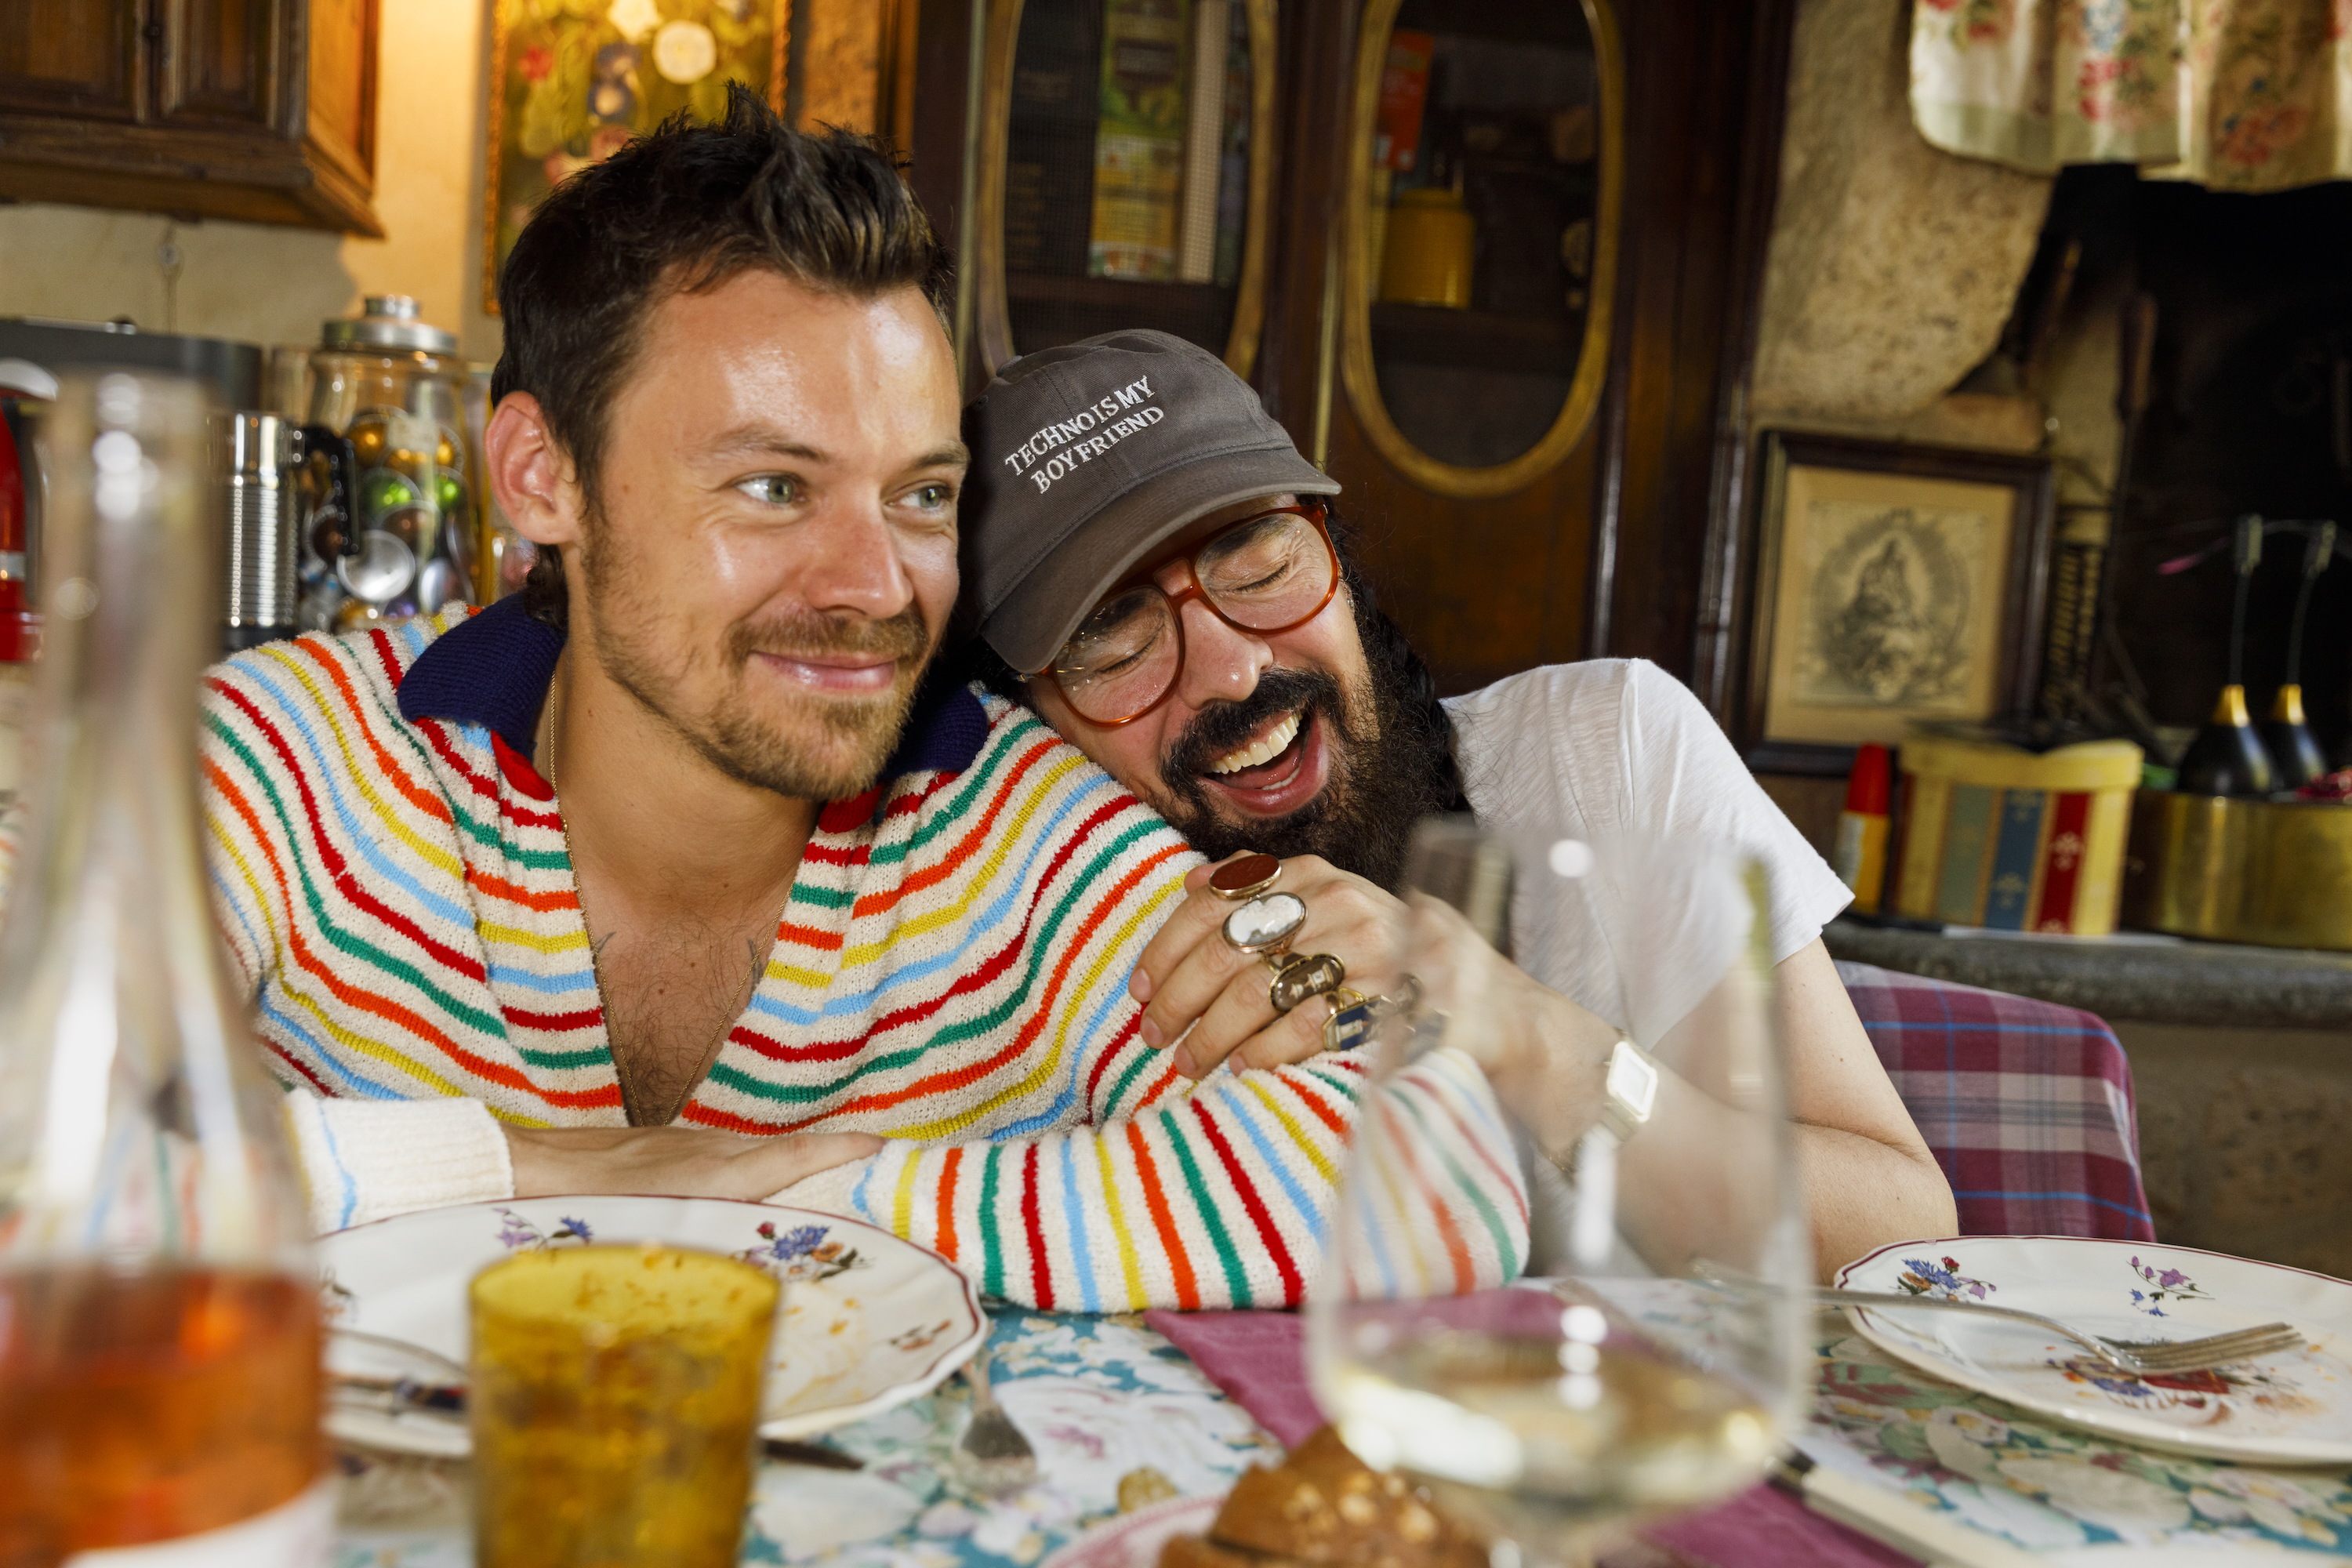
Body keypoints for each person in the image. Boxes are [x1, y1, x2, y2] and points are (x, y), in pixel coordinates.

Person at [190, 92, 1512, 1310]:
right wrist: (528, 1167)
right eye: (774, 486)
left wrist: (799, 1199)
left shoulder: (1021, 828)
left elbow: (1439, 1171)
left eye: (921, 495)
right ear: (544, 478)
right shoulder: (286, 752)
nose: (877, 586)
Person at [956, 329, 1959, 1278]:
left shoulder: (1609, 751)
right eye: (1110, 637)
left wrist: (1513, 1022)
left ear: (1340, 561)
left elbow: (1900, 1234)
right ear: (1026, 723)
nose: (1232, 666)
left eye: (1260, 559)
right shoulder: (981, 949)